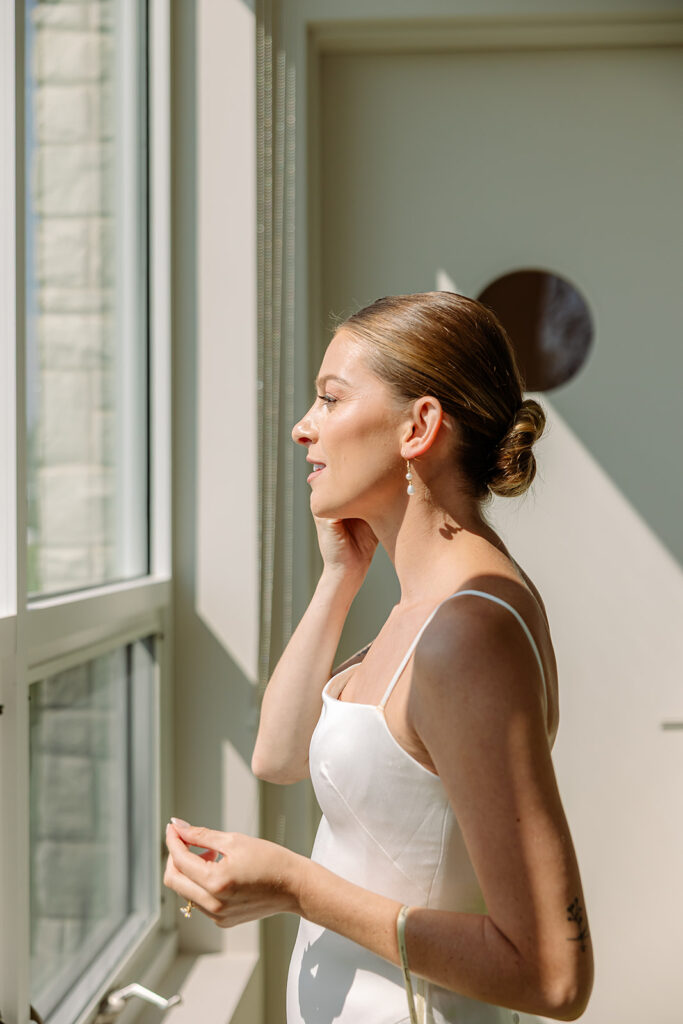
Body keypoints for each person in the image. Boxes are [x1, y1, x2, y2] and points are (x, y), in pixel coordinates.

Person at [164, 292, 594, 1023]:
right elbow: (277, 754)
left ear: (418, 426)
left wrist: (298, 887)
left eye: (330, 399)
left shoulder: (467, 633)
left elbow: (553, 978)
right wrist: (339, 577)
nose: (303, 428)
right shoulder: (421, 608)